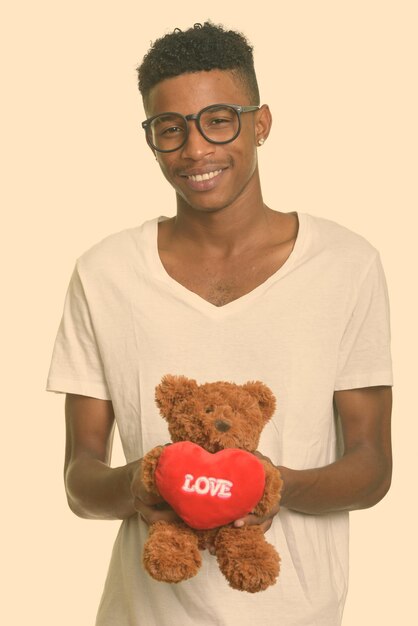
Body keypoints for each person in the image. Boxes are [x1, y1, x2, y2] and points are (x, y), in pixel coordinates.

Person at [47, 21, 393, 626]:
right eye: (170, 128)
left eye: (219, 119)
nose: (196, 149)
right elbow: (80, 479)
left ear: (259, 123)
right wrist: (139, 484)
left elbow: (371, 468)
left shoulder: (347, 264)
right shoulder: (103, 273)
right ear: (151, 139)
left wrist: (270, 483)